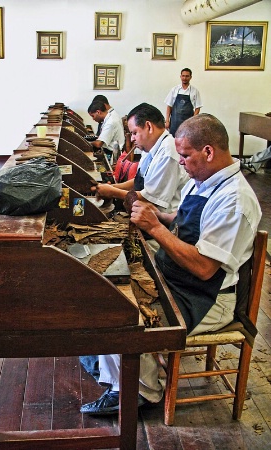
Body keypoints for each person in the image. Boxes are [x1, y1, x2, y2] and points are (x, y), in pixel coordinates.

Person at [80, 113, 262, 416]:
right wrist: (152, 214)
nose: (180, 162)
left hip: (206, 297)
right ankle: (114, 363)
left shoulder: (235, 200)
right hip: (178, 278)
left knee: (120, 309)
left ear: (208, 152)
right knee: (110, 279)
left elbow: (205, 268)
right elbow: (181, 219)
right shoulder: (205, 179)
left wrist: (155, 228)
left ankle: (140, 390)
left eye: (185, 155)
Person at [92, 103, 189, 213]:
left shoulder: (168, 153)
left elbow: (150, 199)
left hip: (163, 220)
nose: (132, 138)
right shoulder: (150, 147)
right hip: (147, 212)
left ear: (148, 126)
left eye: (134, 133)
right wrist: (112, 187)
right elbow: (140, 181)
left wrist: (113, 192)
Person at [164, 68, 202, 137]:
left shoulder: (195, 91)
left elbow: (198, 108)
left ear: (190, 77)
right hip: (174, 123)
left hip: (188, 124)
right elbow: (169, 106)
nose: (185, 78)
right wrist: (167, 120)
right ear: (180, 76)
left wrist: (193, 121)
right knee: (173, 141)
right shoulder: (174, 90)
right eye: (183, 76)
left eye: (187, 76)